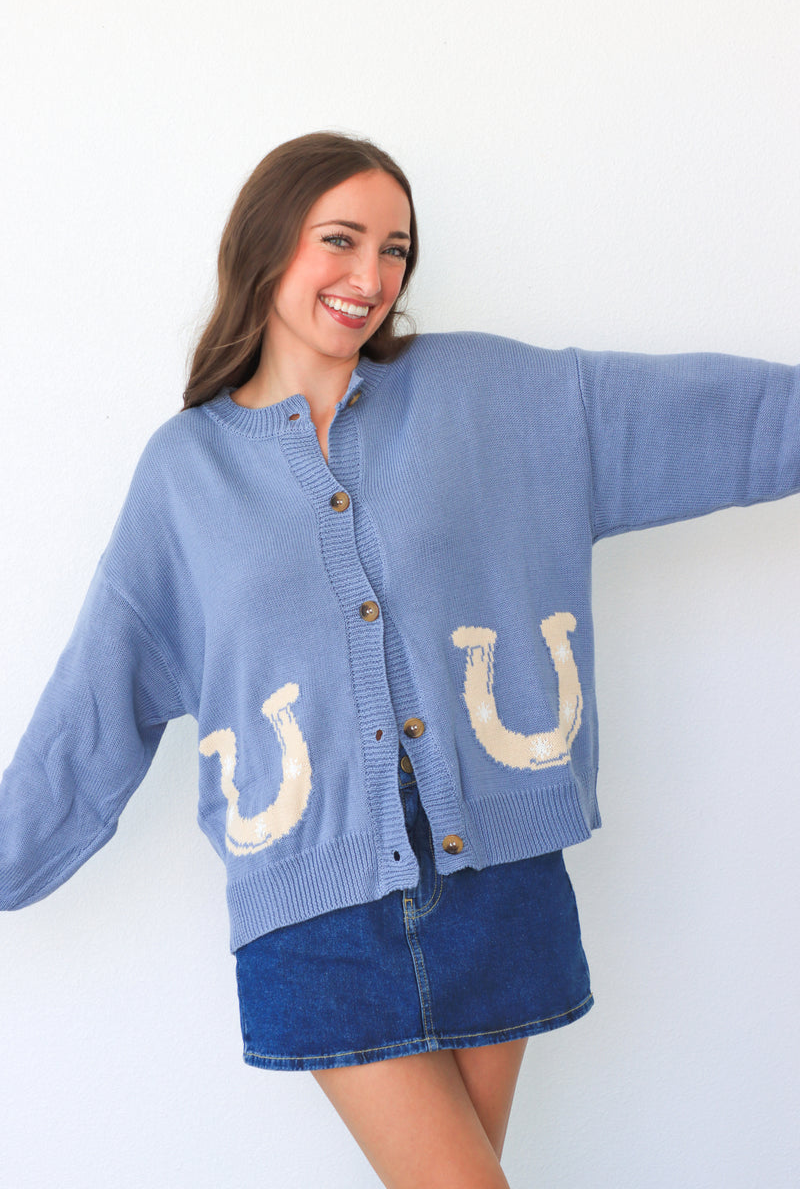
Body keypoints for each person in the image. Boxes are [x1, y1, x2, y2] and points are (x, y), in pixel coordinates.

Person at [1, 131, 798, 1189]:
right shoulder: (184, 473)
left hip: (498, 871)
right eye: (341, 239)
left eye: (395, 250)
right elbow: (99, 696)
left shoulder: (491, 395)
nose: (370, 276)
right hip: (317, 902)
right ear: (266, 244)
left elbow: (723, 419)